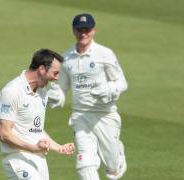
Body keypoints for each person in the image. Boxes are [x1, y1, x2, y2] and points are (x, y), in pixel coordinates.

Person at [48, 13, 128, 180]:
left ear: (94, 31)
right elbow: (62, 89)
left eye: (87, 30)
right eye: (79, 30)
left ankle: (117, 155)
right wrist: (56, 96)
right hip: (81, 116)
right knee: (85, 164)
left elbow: (121, 82)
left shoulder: (104, 54)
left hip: (105, 115)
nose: (83, 33)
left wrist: (108, 90)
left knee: (113, 168)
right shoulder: (67, 59)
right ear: (73, 31)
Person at [0, 49, 75, 180]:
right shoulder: (12, 91)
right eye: (55, 73)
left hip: (38, 158)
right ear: (42, 69)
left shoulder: (42, 93)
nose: (57, 78)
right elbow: (4, 134)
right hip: (17, 159)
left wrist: (59, 148)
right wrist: (33, 148)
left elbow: (36, 130)